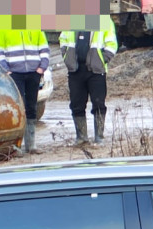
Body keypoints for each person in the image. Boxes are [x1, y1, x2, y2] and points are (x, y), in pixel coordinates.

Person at [60, 17, 118, 145]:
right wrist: (66, 57)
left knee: (98, 104)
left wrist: (102, 60)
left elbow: (112, 44)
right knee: (76, 104)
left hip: (96, 71)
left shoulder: (104, 20)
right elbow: (63, 40)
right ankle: (81, 137)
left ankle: (99, 137)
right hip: (76, 70)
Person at [0, 28, 49, 154]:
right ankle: (16, 146)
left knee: (31, 107)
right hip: (15, 74)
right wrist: (7, 70)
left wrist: (42, 68)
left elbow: (44, 49)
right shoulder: (3, 29)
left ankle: (31, 145)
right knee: (18, 108)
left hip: (34, 73)